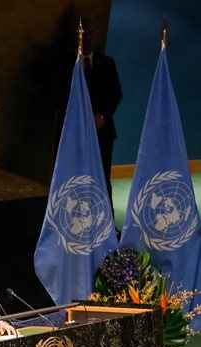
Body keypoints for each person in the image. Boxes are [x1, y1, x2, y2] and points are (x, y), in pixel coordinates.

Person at [82, 21, 122, 209]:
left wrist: (103, 116)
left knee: (102, 179)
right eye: (83, 34)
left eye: (90, 34)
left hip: (102, 132)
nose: (87, 38)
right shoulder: (69, 66)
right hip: (76, 134)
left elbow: (116, 94)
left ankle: (108, 224)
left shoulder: (107, 63)